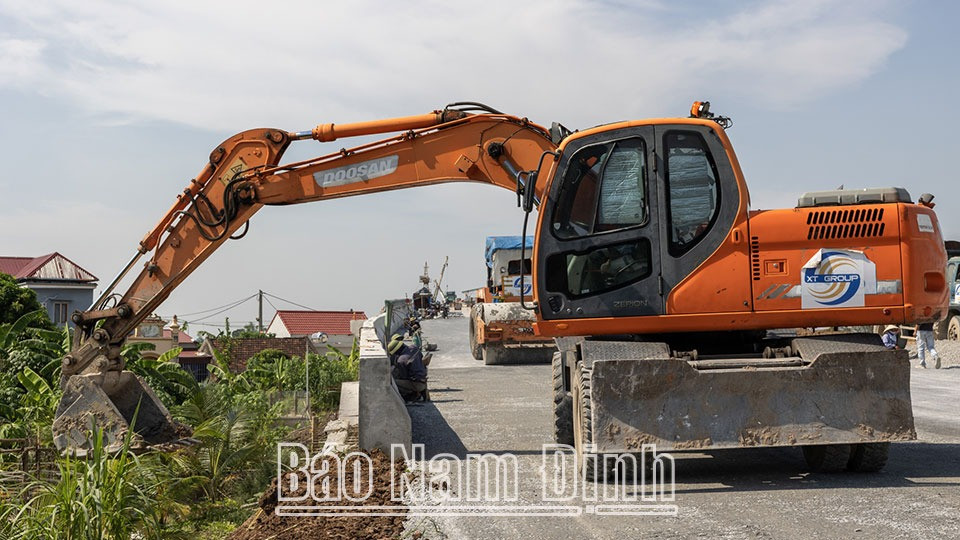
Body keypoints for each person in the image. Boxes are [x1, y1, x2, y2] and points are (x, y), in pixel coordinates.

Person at [387, 335, 430, 402]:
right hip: (423, 379)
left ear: (396, 351)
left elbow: (404, 376)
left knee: (393, 382)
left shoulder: (401, 360)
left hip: (417, 384)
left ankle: (412, 396)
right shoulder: (414, 348)